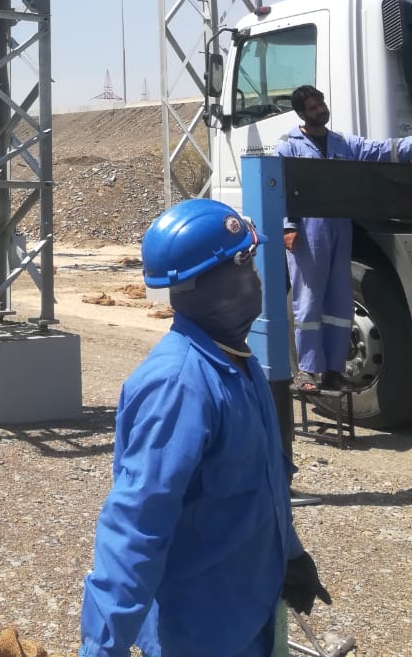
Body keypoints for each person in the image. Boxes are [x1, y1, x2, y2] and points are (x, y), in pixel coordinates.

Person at [79, 198, 330, 657]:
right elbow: (136, 526)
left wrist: (291, 555)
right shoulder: (178, 386)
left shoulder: (238, 362)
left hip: (251, 612)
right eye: (245, 263)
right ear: (205, 281)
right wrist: (102, 648)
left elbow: (264, 482)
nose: (256, 279)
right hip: (199, 632)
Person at [276, 84, 412, 392]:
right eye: (313, 107)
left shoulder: (342, 143)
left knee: (340, 303)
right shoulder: (289, 145)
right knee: (308, 302)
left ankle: (334, 370)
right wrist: (288, 225)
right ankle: (307, 370)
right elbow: (282, 187)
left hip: (340, 227)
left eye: (321, 104)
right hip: (308, 232)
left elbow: (381, 150)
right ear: (301, 113)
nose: (320, 110)